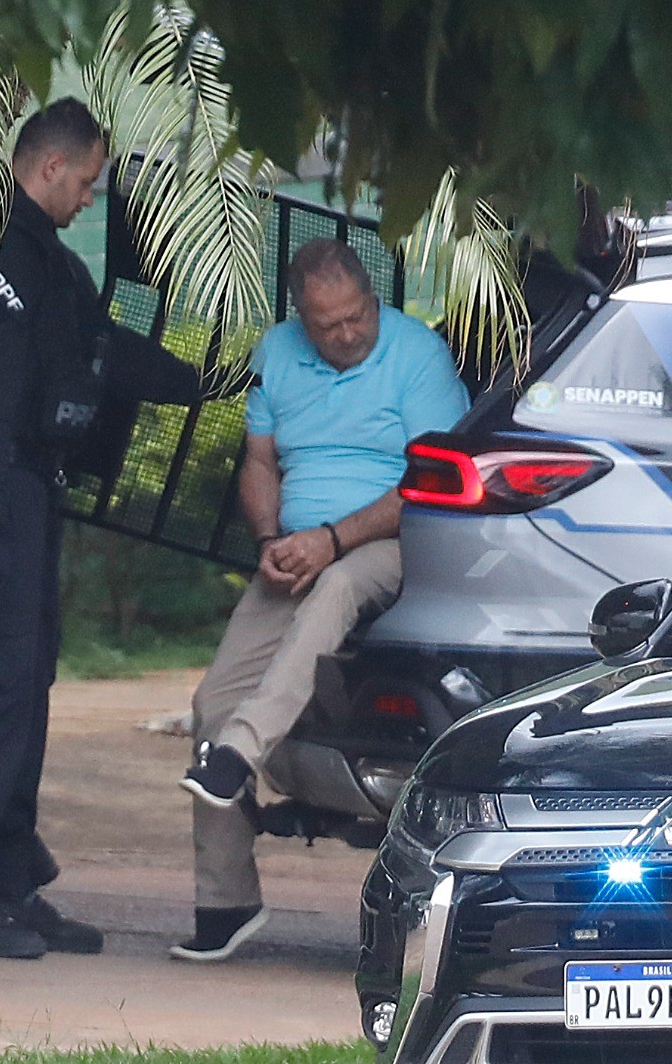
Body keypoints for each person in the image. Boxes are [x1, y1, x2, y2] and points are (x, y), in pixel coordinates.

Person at [0, 98, 202, 959]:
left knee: (29, 683)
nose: (91, 196)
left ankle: (9, 878)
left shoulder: (48, 260)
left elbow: (103, 349)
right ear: (50, 166)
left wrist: (204, 380)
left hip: (27, 493)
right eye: (86, 180)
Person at [172, 238, 469, 961]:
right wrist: (273, 537)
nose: (346, 334)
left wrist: (332, 540)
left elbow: (433, 479)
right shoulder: (277, 353)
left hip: (390, 544)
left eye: (357, 316)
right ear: (300, 319)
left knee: (334, 586)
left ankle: (243, 753)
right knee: (212, 705)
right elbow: (261, 460)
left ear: (372, 299)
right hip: (300, 545)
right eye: (327, 324)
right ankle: (225, 902)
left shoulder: (416, 355)